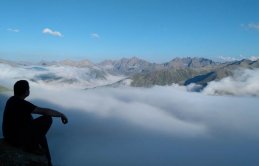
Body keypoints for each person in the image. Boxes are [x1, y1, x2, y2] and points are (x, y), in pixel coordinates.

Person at [2, 80, 68, 166]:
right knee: (47, 119)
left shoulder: (12, 100)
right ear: (26, 91)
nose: (29, 90)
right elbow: (44, 111)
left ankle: (48, 161)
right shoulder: (20, 103)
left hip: (9, 135)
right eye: (28, 89)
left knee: (39, 132)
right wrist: (61, 114)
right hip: (15, 139)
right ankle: (32, 147)